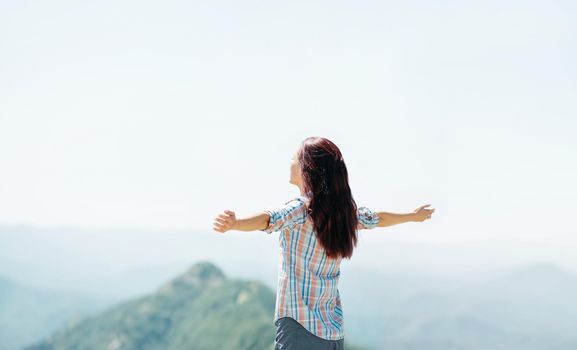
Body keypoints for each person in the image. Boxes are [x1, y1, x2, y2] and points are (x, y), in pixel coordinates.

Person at [212, 136, 435, 350]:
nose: (289, 163)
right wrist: (412, 216)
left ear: (306, 168)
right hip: (332, 332)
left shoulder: (302, 208)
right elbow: (379, 218)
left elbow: (269, 219)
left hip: (299, 327)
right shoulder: (343, 212)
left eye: (293, 159)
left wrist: (235, 223)